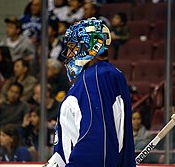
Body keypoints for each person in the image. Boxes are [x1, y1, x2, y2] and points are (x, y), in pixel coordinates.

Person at [45, 18, 135, 167]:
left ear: (89, 48)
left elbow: (95, 142)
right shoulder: (106, 75)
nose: (68, 53)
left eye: (73, 46)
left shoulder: (95, 78)